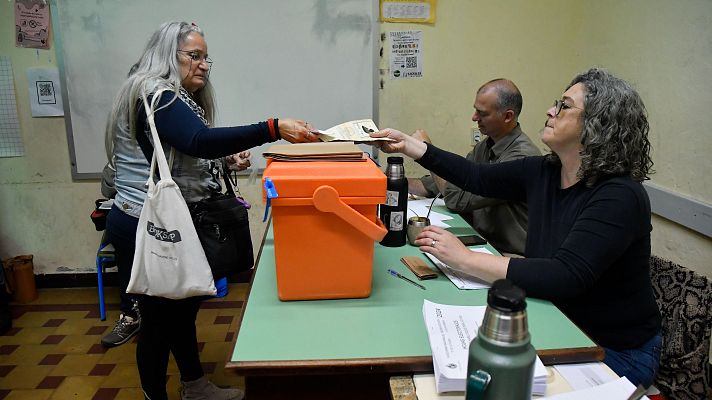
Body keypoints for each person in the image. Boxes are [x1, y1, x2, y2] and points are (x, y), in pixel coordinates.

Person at [372, 68, 661, 387]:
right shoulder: (546, 171)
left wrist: (464, 259)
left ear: (598, 124)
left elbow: (566, 276)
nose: (551, 111)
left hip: (609, 348)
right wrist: (411, 146)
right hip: (557, 323)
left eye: (564, 106)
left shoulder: (619, 195)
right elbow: (475, 177)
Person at [104, 21, 319, 400]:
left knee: (181, 314)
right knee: (156, 324)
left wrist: (222, 160)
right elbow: (198, 141)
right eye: (194, 56)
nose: (203, 65)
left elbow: (182, 153)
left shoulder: (172, 94)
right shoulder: (156, 93)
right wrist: (271, 127)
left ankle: (195, 386)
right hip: (147, 225)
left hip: (167, 221)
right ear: (168, 55)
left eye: (206, 57)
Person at [408, 79, 540, 256]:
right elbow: (446, 182)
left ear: (507, 116)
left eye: (482, 113)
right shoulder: (487, 145)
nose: (474, 117)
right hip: (482, 242)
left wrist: (426, 151)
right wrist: (388, 181)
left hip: (510, 256)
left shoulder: (521, 157)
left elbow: (456, 200)